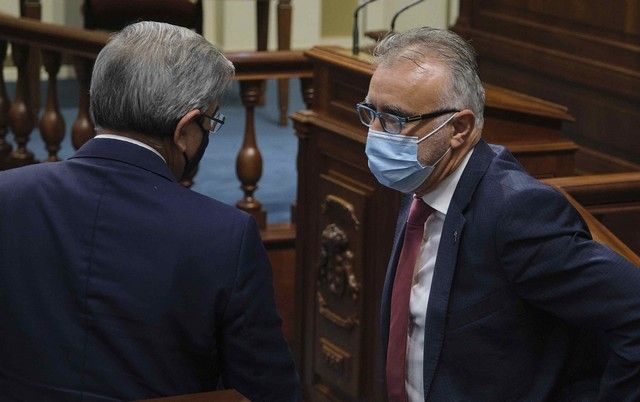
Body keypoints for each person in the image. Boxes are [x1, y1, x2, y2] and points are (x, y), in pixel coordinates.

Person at [0, 21, 300, 401]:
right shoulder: (225, 235)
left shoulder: (6, 195)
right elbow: (266, 390)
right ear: (185, 129)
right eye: (209, 121)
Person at [356, 27, 640, 401]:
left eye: (393, 120)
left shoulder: (517, 212)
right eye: (370, 113)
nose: (375, 133)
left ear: (459, 128)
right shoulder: (420, 180)